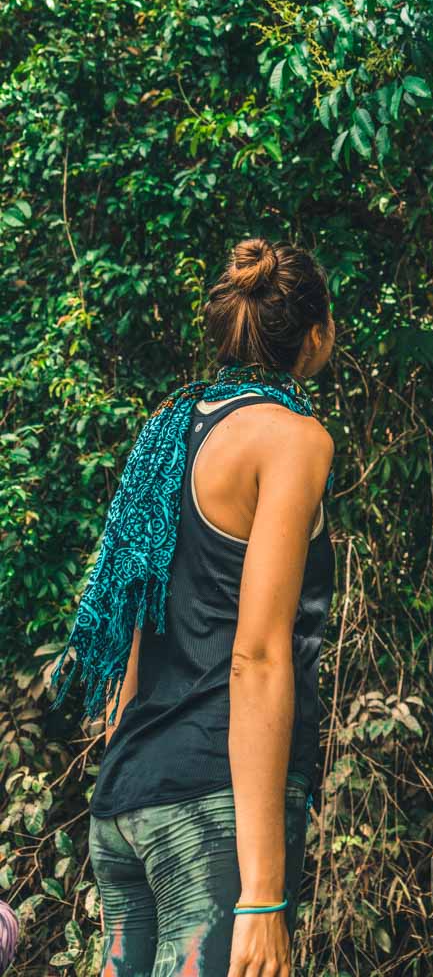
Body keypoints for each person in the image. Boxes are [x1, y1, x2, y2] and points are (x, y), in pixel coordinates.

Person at [54, 237, 336, 976]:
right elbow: (260, 655)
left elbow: (137, 610)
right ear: (316, 336)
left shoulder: (172, 429)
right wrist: (263, 896)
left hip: (126, 802)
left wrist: (122, 759)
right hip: (213, 811)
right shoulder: (291, 439)